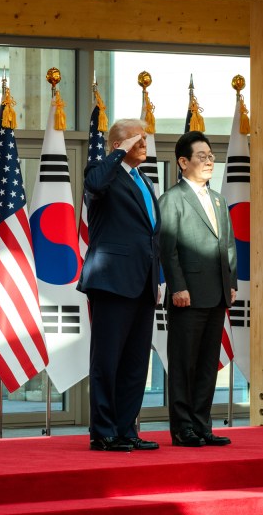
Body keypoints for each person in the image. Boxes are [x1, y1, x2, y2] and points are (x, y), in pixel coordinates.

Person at [77, 118, 161, 452]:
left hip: (143, 283)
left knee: (136, 362)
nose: (145, 142)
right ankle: (103, 431)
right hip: (112, 282)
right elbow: (95, 185)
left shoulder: (146, 181)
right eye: (137, 137)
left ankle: (127, 429)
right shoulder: (101, 172)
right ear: (118, 145)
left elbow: (152, 236)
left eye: (146, 136)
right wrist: (117, 153)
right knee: (107, 361)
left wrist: (160, 279)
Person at [159, 130, 236, 448]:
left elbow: (228, 245)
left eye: (211, 156)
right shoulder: (172, 199)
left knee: (207, 363)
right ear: (182, 162)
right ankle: (182, 429)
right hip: (187, 296)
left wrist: (230, 284)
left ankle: (203, 424)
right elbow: (168, 248)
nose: (209, 161)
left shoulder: (218, 199)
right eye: (202, 156)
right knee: (183, 364)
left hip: (216, 294)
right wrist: (178, 286)